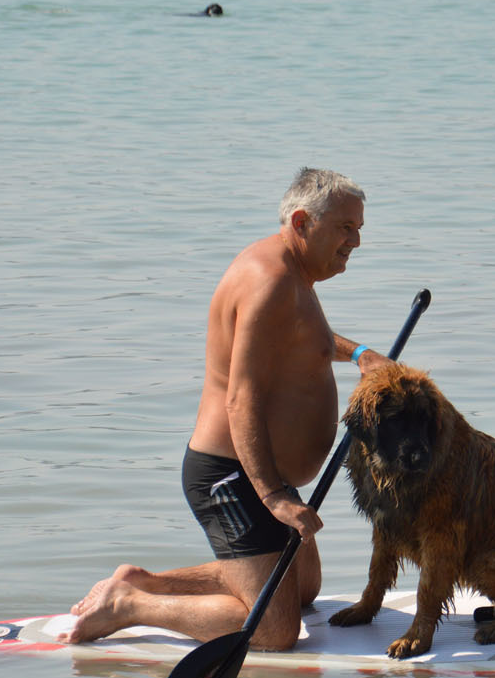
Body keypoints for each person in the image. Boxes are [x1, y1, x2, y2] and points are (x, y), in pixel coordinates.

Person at [59, 168, 387, 650]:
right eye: (345, 228)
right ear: (301, 222)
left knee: (305, 590)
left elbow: (306, 340)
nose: (356, 241)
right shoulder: (270, 281)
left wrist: (360, 355)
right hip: (231, 475)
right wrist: (273, 495)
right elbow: (241, 397)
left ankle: (144, 581)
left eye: (360, 228)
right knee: (277, 630)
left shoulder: (293, 273)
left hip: (260, 470)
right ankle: (127, 606)